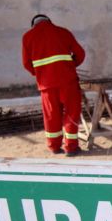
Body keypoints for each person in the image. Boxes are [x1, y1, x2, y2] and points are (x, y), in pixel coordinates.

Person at [21, 14, 86, 156]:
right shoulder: (63, 32)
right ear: (50, 22)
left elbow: (27, 64)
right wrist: (70, 66)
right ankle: (71, 148)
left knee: (51, 116)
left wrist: (40, 73)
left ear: (34, 25)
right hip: (68, 82)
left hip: (46, 86)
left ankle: (54, 147)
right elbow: (80, 54)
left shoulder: (27, 37)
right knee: (71, 113)